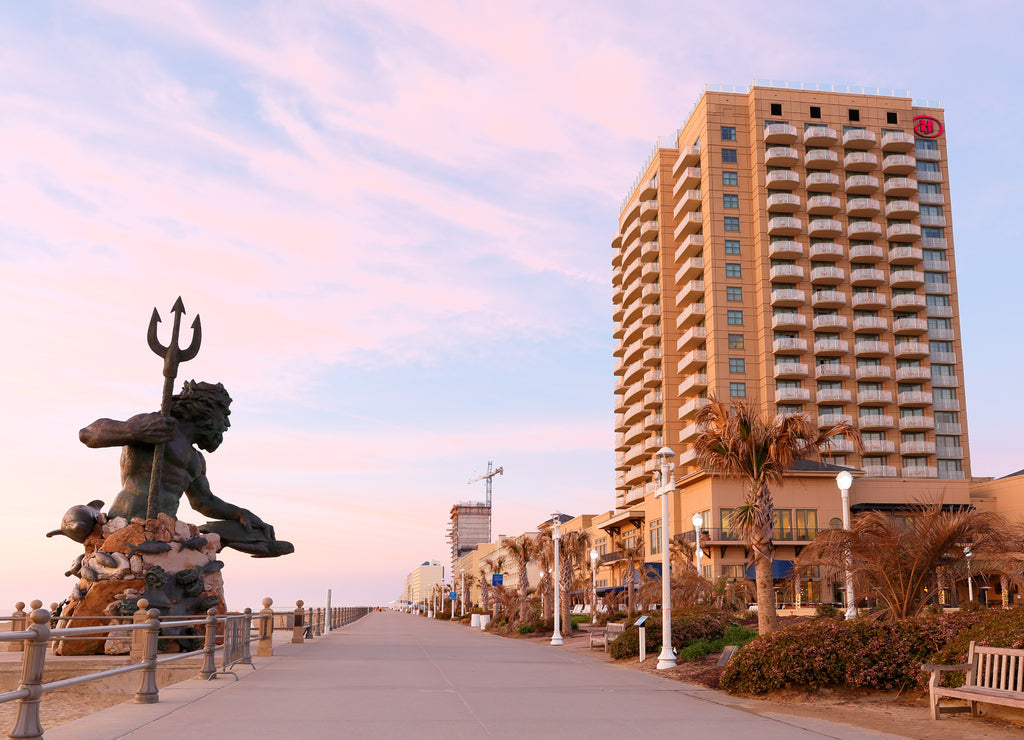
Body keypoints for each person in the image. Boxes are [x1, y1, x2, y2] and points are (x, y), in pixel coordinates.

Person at [79, 381, 293, 558]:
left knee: (226, 531)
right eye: (224, 415)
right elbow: (88, 434)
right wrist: (132, 431)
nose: (226, 424)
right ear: (206, 411)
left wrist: (239, 513)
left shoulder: (195, 459)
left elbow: (204, 501)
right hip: (127, 522)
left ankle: (258, 542)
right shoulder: (156, 425)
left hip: (166, 530)